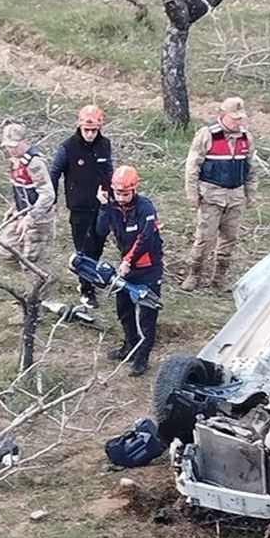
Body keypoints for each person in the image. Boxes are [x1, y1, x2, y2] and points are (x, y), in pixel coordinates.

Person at [181, 96, 259, 291]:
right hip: (211, 195)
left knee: (229, 237)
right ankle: (194, 275)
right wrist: (192, 193)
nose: (239, 122)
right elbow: (192, 166)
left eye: (241, 118)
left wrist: (251, 193)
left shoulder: (246, 137)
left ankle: (219, 278)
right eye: (235, 118)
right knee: (205, 238)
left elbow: (250, 168)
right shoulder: (206, 135)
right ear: (222, 115)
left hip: (236, 196)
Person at [96, 164, 163, 376]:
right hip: (127, 267)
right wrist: (105, 207)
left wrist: (128, 261)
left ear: (134, 190)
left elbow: (146, 238)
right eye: (118, 193)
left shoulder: (145, 208)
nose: (122, 197)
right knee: (123, 308)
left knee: (146, 314)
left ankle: (142, 357)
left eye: (125, 193)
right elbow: (100, 231)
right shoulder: (113, 207)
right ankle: (130, 346)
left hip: (148, 267)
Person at [50, 104, 113, 305]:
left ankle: (88, 280)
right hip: (79, 207)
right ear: (79, 126)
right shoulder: (67, 147)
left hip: (101, 206)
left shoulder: (105, 145)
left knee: (98, 247)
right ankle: (87, 290)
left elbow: (109, 170)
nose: (90, 134)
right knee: (84, 250)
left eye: (94, 130)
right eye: (87, 130)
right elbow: (54, 172)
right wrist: (52, 198)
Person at [0, 122, 55, 270]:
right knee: (4, 248)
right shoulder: (15, 161)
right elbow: (18, 187)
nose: (11, 149)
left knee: (31, 264)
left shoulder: (34, 163)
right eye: (8, 146)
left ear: (24, 141)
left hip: (38, 218)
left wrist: (31, 217)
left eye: (14, 145)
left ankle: (38, 288)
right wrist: (13, 207)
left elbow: (48, 194)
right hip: (20, 213)